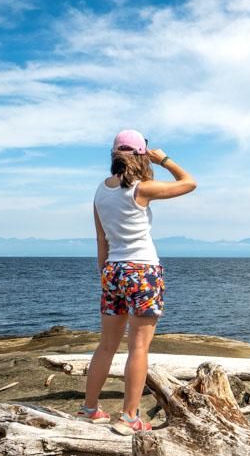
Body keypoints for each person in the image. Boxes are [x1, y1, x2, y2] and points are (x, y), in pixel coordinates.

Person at [79, 129, 197, 435]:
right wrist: (166, 160)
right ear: (141, 155)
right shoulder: (141, 189)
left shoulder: (100, 191)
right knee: (138, 348)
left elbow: (101, 239)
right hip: (142, 270)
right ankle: (129, 417)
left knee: (106, 346)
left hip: (113, 270)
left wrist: (105, 275)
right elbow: (189, 183)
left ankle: (90, 408)